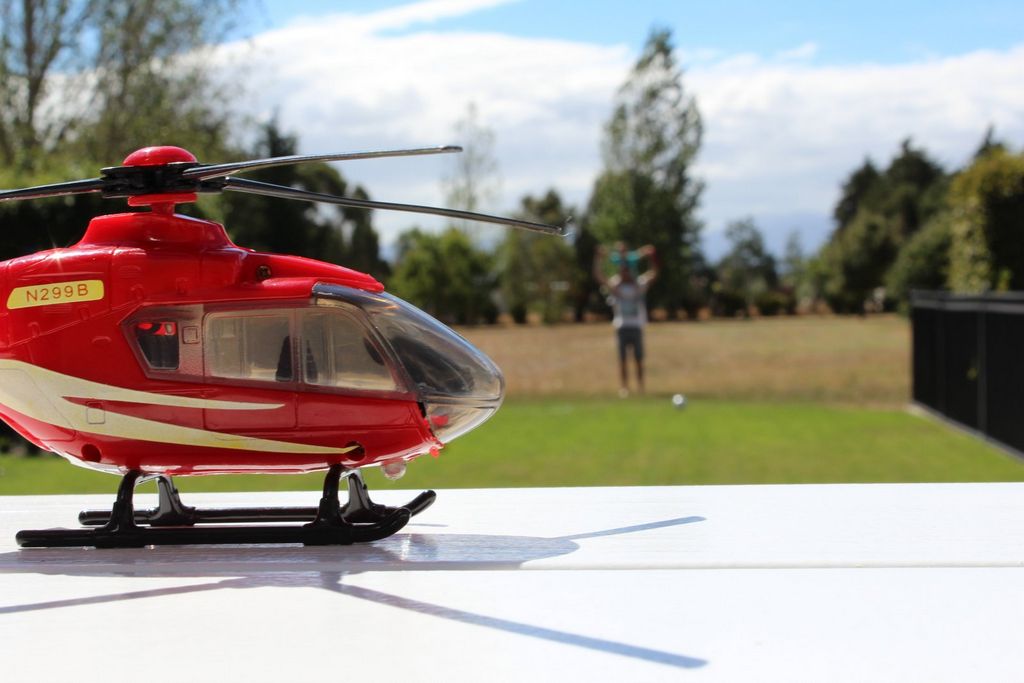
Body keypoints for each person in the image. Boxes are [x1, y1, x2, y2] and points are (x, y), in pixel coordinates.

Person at [593, 242, 658, 397]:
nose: (624, 272)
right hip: (621, 327)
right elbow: (599, 275)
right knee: (622, 360)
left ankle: (641, 388)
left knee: (639, 359)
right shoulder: (616, 286)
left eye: (627, 270)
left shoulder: (639, 285)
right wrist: (598, 258)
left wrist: (652, 257)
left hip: (637, 327)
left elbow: (654, 273)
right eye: (622, 270)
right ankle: (624, 388)